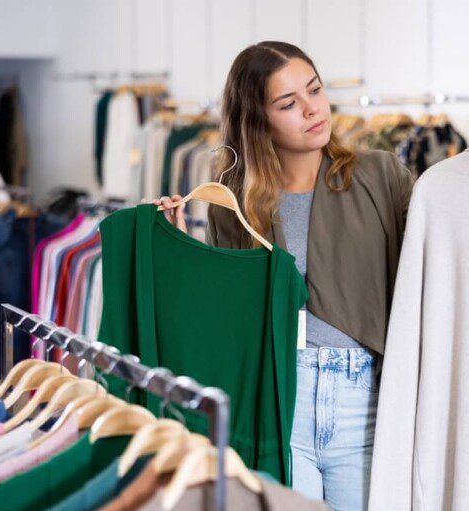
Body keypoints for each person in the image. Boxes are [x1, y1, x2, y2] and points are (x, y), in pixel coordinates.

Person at [149, 41, 413, 511]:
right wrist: (176, 249)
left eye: (314, 90)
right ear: (258, 120)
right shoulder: (234, 204)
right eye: (288, 104)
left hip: (366, 404)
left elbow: (430, 263)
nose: (312, 109)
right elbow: (227, 323)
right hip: (279, 402)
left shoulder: (380, 175)